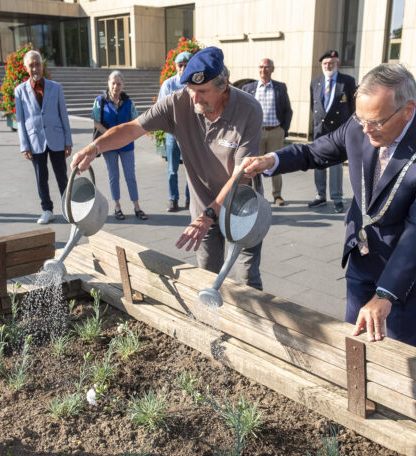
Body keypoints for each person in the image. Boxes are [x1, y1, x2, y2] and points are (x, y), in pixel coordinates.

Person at [240, 63, 416, 349]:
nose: (366, 129)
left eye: (376, 123)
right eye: (360, 119)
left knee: (404, 355)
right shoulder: (363, 121)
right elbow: (315, 152)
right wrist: (271, 161)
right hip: (362, 252)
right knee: (355, 343)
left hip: (410, 271)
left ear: (407, 111)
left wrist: (386, 294)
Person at [73, 47, 264, 290]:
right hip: (203, 205)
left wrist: (209, 216)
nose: (194, 99)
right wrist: (94, 148)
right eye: (191, 90)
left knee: (248, 279)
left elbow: (242, 174)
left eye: (203, 92)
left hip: (242, 205)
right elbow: (132, 128)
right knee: (207, 279)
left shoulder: (249, 109)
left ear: (223, 84)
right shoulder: (178, 103)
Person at [14, 50, 73, 224]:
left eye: (37, 64)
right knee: (41, 177)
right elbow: (20, 120)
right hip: (35, 140)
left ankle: (68, 208)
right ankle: (47, 209)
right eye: (31, 65)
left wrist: (68, 141)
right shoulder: (20, 91)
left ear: (42, 65)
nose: (35, 68)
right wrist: (24, 145)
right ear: (26, 68)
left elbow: (64, 115)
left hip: (56, 137)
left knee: (62, 175)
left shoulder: (56, 87)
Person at [92, 71, 147, 221]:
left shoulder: (129, 102)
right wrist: (111, 134)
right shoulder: (100, 101)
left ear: (123, 85)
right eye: (113, 83)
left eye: (119, 83)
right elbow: (96, 122)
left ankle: (137, 206)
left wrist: (125, 134)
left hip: (126, 144)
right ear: (108, 83)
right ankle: (117, 206)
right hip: (108, 144)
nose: (116, 86)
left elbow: (135, 120)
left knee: (130, 176)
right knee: (113, 176)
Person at [308, 50, 356, 214]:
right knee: (318, 164)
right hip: (320, 131)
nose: (328, 66)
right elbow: (313, 106)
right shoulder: (315, 82)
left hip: (338, 130)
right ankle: (320, 196)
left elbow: (352, 107)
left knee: (336, 166)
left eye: (331, 63)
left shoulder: (347, 81)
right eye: (325, 63)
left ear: (337, 64)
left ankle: (337, 198)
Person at [241, 57, 293, 206]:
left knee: (276, 163)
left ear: (272, 69)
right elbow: (244, 112)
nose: (263, 70)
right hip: (256, 133)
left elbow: (287, 110)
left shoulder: (280, 87)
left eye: (267, 67)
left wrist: (283, 129)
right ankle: (256, 196)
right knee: (254, 165)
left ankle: (277, 195)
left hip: (275, 131)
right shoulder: (249, 88)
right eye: (261, 67)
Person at [158, 51, 192, 212]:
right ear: (175, 66)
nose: (183, 68)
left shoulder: (196, 84)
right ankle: (173, 199)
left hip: (191, 135)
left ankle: (190, 199)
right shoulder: (168, 85)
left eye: (186, 65)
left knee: (191, 169)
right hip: (172, 133)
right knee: (172, 169)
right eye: (180, 65)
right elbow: (161, 110)